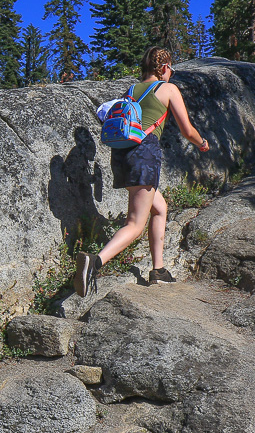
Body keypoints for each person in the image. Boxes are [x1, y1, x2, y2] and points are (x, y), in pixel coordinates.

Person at [74, 47, 210, 297]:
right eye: (171, 69)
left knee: (159, 208)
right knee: (135, 223)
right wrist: (202, 143)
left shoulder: (131, 90)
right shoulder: (168, 89)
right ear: (165, 68)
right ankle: (93, 263)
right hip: (144, 155)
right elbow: (187, 129)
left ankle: (158, 271)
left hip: (123, 154)